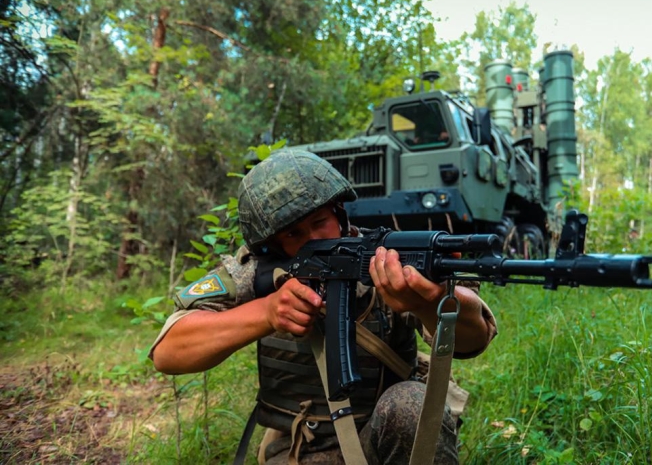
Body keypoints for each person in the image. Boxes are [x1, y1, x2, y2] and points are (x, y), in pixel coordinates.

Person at [150, 149, 497, 464]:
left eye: (320, 222)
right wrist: (266, 312)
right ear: (270, 245)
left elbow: (473, 340)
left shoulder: (386, 260)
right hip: (302, 450)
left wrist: (430, 302)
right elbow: (168, 352)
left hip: (385, 434)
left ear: (340, 212)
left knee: (411, 403)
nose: (314, 240)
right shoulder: (256, 272)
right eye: (293, 234)